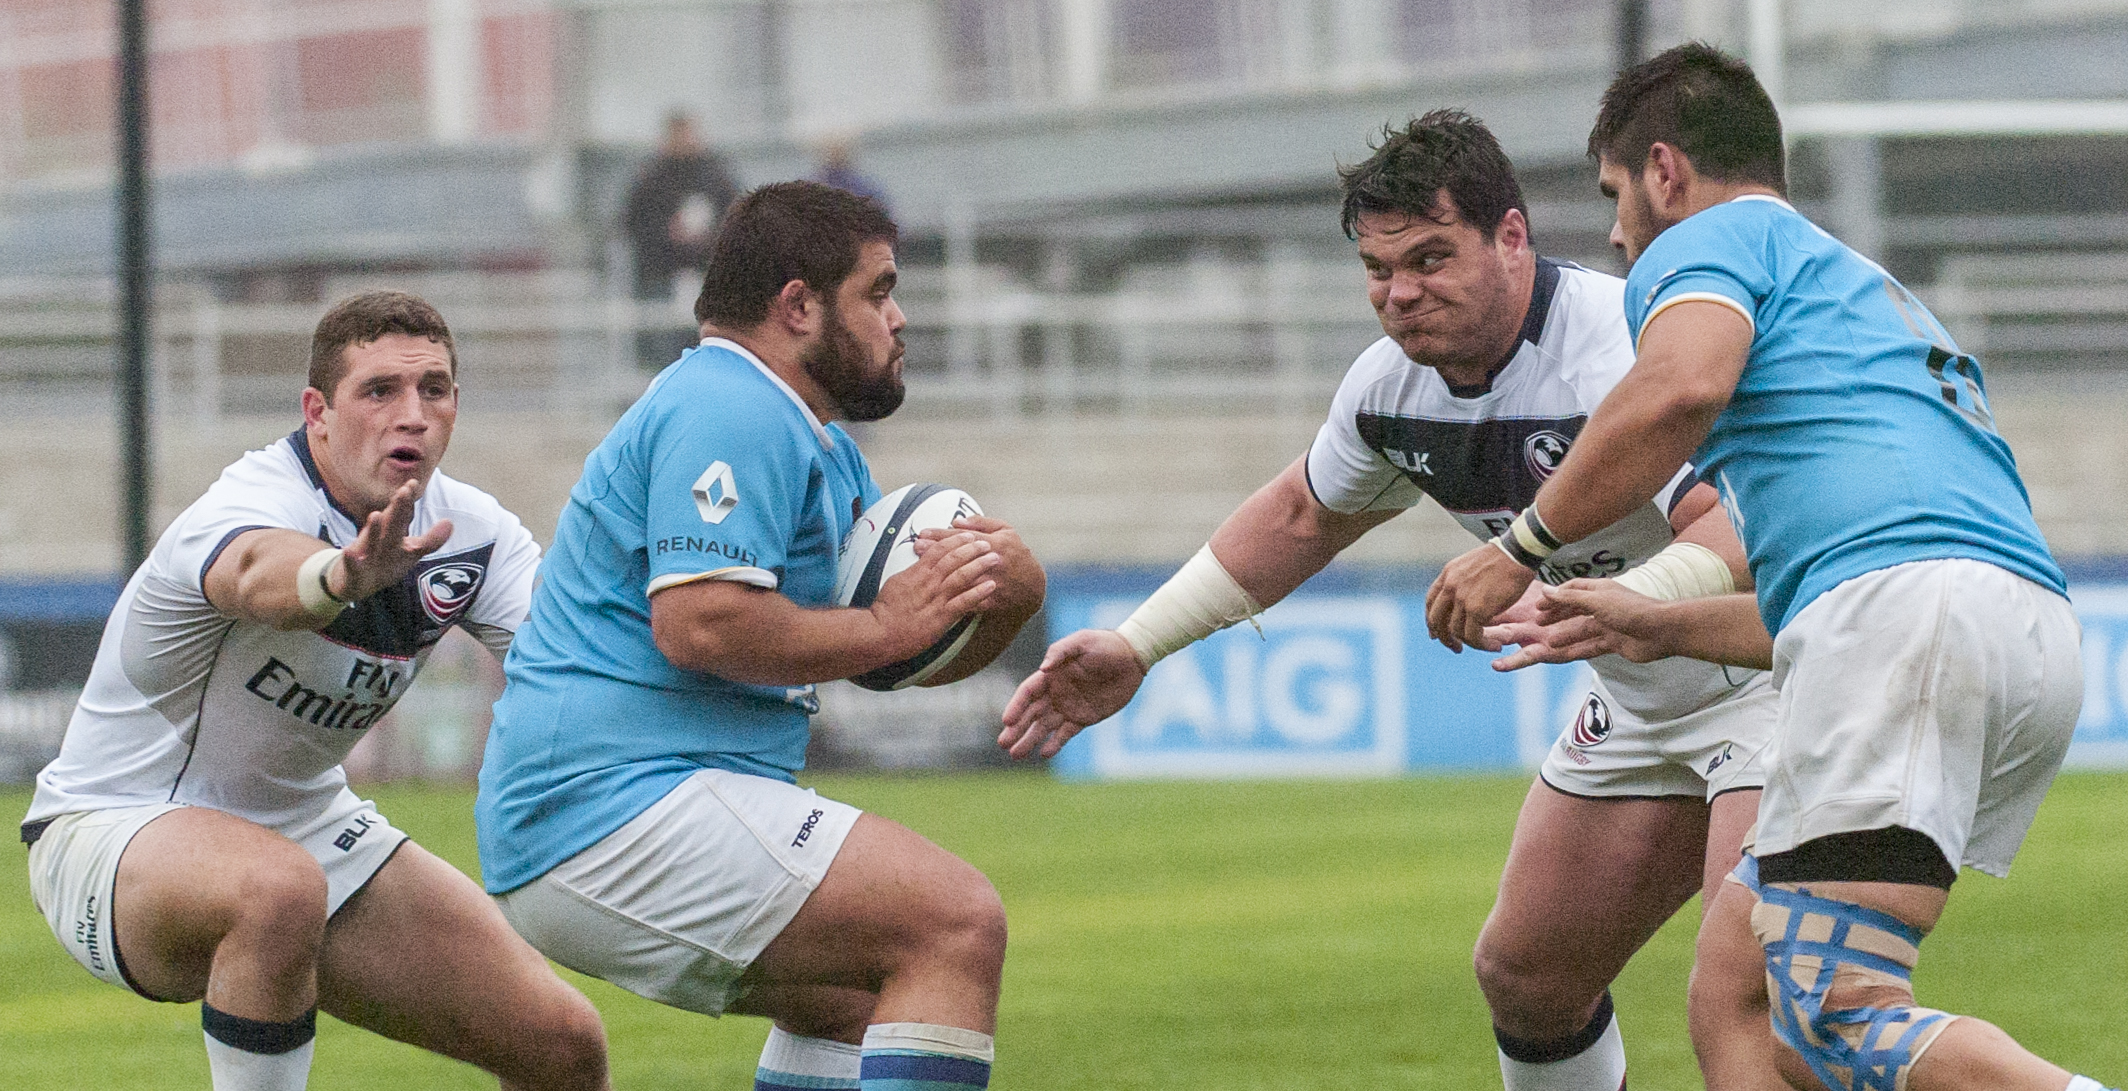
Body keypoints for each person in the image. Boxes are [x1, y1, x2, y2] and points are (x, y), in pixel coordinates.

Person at [999, 110, 1775, 1091]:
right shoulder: (1387, 389)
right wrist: (1137, 643)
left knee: (1746, 999)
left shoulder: (1616, 349)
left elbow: (1741, 535)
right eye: (1378, 268)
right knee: (1526, 975)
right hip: (1640, 702)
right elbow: (1299, 515)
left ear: (1510, 236)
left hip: (1769, 681)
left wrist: (1617, 599)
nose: (1400, 293)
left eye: (1429, 258)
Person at [1424, 43, 2117, 1091]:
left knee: (1836, 1015)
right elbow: (1818, 608)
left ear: (1665, 170)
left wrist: (1517, 548)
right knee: (1748, 1003)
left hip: (1907, 620)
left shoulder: (1712, 237)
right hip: (2006, 625)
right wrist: (1652, 620)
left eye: (1616, 195)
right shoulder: (1858, 292)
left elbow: (1678, 387)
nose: (1616, 233)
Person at [476, 181, 1046, 1091]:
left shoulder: (816, 442)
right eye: (879, 291)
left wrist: (1003, 601)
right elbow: (699, 622)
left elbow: (884, 652)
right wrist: (884, 622)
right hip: (608, 805)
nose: (900, 320)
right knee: (954, 919)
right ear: (795, 305)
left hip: (605, 811)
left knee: (857, 1005)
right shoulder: (730, 404)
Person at [20, 291, 609, 1091]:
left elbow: (580, 662)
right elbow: (254, 574)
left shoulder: (473, 533)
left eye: (433, 389)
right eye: (379, 391)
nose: (412, 414)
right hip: (113, 826)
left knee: (563, 1044)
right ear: (318, 411)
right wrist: (338, 575)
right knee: (275, 889)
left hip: (307, 826)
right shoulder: (253, 501)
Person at [623, 111, 741, 368]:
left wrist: (706, 241)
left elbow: (736, 218)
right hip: (661, 275)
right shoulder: (651, 179)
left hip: (707, 274)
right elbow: (633, 224)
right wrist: (668, 235)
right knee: (662, 346)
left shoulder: (715, 175)